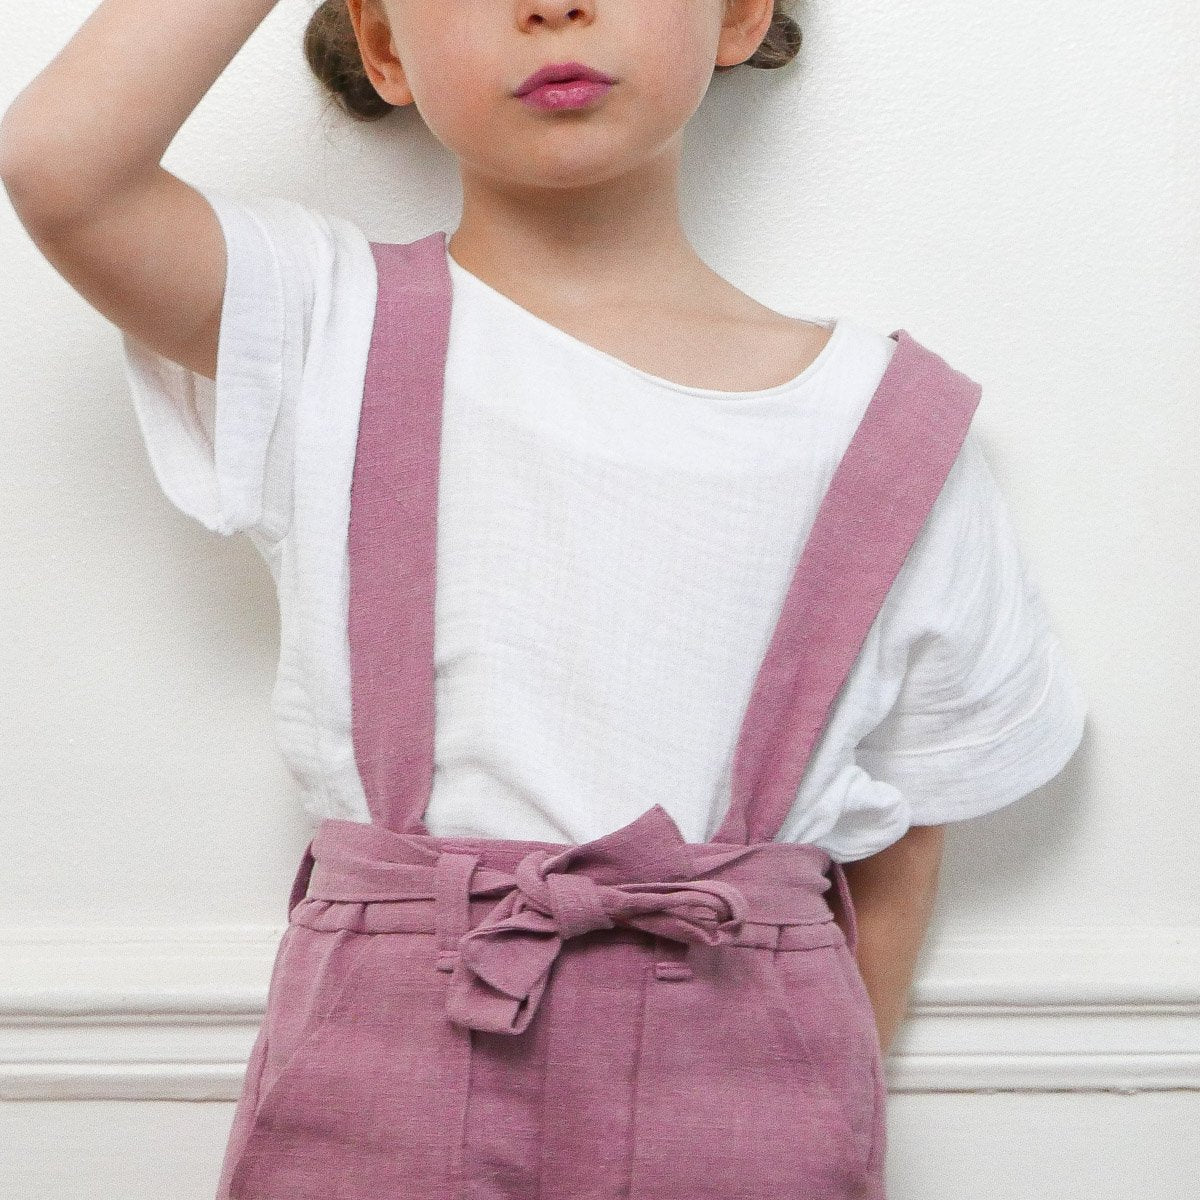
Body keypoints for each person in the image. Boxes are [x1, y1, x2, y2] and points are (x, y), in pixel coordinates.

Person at [0, 1, 1088, 1197]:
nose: (552, 5)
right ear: (385, 47)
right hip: (378, 1085)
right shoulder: (323, 322)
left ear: (737, 14)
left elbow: (906, 835)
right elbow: (60, 164)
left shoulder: (888, 429)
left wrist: (808, 1109)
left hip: (750, 1096)